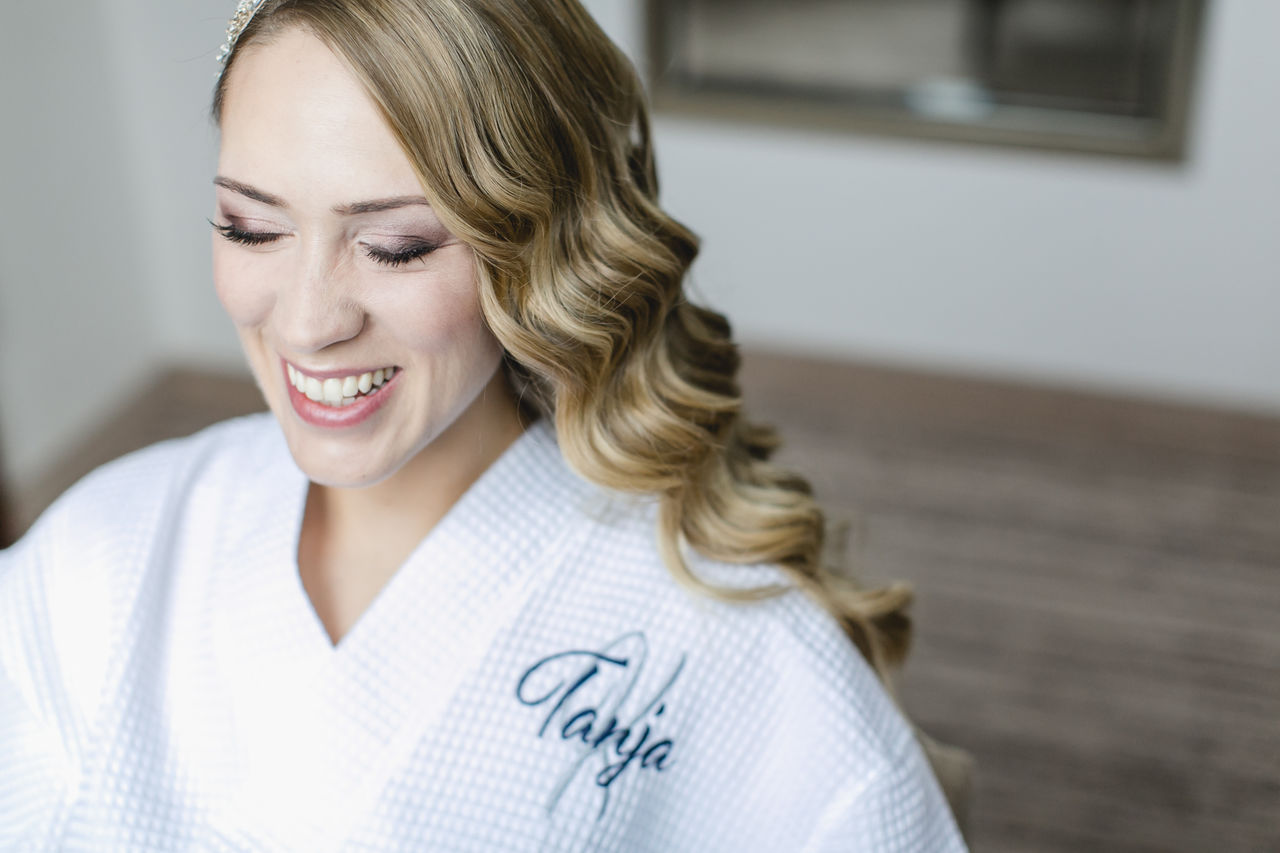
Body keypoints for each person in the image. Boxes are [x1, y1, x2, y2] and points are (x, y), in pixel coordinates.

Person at [0, 0, 968, 849]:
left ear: (540, 243)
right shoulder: (110, 549)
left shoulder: (735, 644)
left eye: (395, 245)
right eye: (251, 227)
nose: (305, 321)